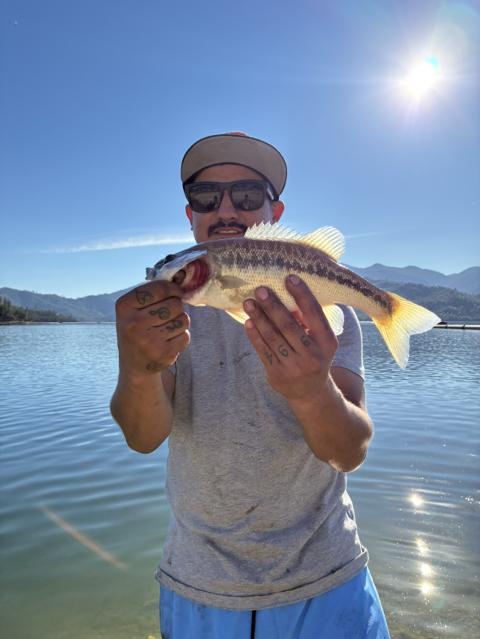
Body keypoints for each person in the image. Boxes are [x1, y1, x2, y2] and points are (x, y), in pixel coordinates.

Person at [111, 133, 391, 638]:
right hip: (197, 584)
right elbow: (143, 437)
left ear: (273, 213)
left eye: (245, 195)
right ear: (190, 214)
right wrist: (138, 368)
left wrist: (312, 392)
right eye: (206, 196)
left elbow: (350, 452)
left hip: (328, 577)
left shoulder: (326, 312)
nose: (225, 210)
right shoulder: (163, 318)